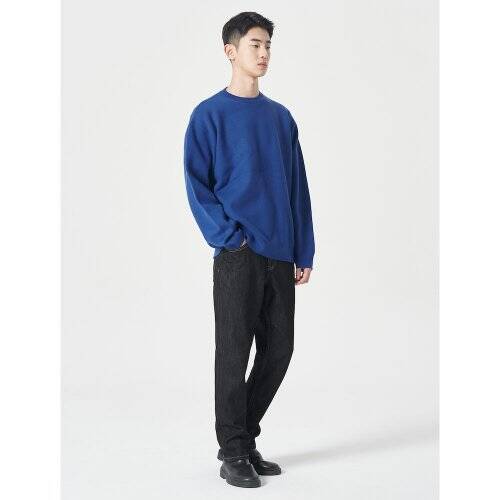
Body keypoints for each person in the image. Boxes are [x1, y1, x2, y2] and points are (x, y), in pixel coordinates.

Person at [183, 11, 315, 488]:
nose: (263, 54)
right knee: (234, 352)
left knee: (279, 349)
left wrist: (304, 249)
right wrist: (229, 237)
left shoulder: (281, 118)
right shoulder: (209, 115)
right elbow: (197, 184)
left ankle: (242, 439)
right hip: (238, 254)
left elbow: (297, 187)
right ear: (231, 50)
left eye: (268, 46)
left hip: (279, 252)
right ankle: (234, 450)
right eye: (255, 45)